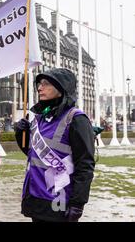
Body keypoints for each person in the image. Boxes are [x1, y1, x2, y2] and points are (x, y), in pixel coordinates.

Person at [14, 68, 95, 222]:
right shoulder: (39, 118)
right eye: (39, 84)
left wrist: (78, 203)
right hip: (36, 198)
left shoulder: (76, 119)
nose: (39, 87)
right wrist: (20, 134)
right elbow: (34, 155)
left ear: (61, 87)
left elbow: (85, 165)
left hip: (59, 201)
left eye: (46, 83)